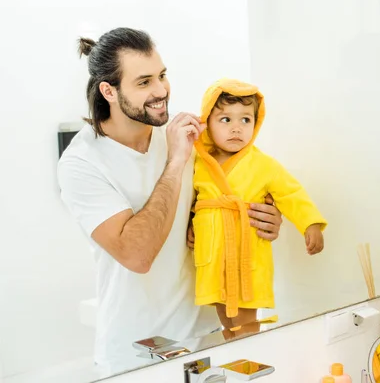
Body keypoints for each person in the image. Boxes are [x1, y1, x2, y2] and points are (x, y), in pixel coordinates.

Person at [56, 27, 283, 374]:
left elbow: (236, 188)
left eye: (162, 75)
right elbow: (137, 254)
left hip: (206, 336)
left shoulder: (185, 133)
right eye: (144, 82)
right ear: (109, 91)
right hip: (135, 353)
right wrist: (176, 161)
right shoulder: (81, 163)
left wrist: (265, 215)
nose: (161, 91)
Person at [191, 78, 327, 338]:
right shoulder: (198, 161)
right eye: (225, 120)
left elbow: (291, 193)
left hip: (246, 256)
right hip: (213, 255)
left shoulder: (263, 164)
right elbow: (186, 200)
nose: (236, 128)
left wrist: (310, 224)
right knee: (225, 319)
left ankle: (248, 363)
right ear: (206, 122)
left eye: (245, 120)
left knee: (245, 326)